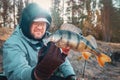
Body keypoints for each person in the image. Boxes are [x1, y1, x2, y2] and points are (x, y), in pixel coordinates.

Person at [2, 3, 76, 80]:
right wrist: (38, 73)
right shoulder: (13, 43)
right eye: (36, 23)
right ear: (27, 23)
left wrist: (70, 75)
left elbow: (62, 59)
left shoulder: (51, 38)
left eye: (43, 23)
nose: (40, 27)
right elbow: (16, 73)